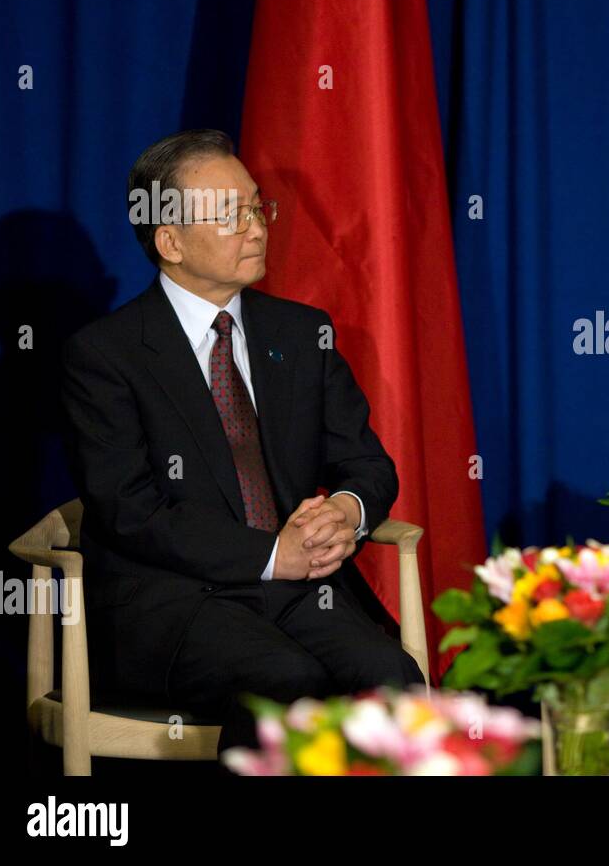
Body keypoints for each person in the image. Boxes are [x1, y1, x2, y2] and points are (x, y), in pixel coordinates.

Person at [60, 129, 423, 753]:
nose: (256, 227)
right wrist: (266, 554)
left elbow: (365, 462)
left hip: (298, 589)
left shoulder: (303, 333)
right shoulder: (104, 355)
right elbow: (130, 509)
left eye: (257, 207)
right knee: (285, 683)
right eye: (230, 215)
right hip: (171, 602)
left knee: (392, 677)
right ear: (169, 240)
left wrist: (346, 509)